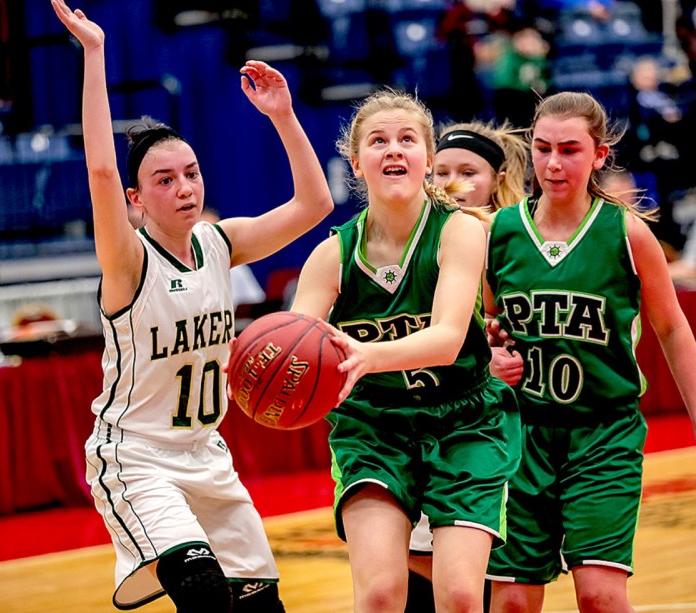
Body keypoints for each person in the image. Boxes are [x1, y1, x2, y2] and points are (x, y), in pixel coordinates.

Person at [50, 1, 334, 611]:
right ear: (137, 198)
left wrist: (284, 116)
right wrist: (95, 55)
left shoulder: (218, 243)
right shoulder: (128, 260)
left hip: (208, 455)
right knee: (204, 595)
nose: (184, 188)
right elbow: (100, 169)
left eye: (191, 173)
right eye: (164, 180)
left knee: (262, 606)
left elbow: (314, 207)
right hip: (137, 458)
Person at [289, 88, 521, 612]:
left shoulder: (460, 231)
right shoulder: (331, 256)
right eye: (378, 141)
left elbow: (446, 339)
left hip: (465, 422)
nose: (393, 149)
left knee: (461, 596)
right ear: (356, 161)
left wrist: (368, 356)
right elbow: (295, 347)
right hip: (375, 427)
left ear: (427, 157)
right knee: (379, 594)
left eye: (407, 139)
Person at [484, 91, 696, 613]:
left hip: (603, 432)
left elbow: (672, 330)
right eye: (543, 148)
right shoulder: (498, 233)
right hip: (520, 436)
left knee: (599, 595)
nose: (553, 163)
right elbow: (483, 329)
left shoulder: (626, 233)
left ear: (600, 155)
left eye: (571, 150)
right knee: (511, 601)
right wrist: (489, 358)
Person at [406, 120, 529, 612]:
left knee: (508, 589)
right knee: (431, 577)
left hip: (517, 430)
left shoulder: (517, 243)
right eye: (441, 172)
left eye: (467, 172)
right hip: (439, 422)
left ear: (497, 180)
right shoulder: (420, 241)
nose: (452, 183)